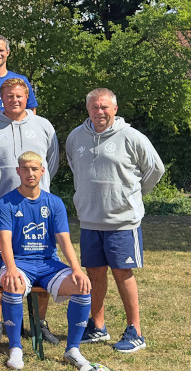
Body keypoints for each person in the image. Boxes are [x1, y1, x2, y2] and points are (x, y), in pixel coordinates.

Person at [66, 88, 164, 353]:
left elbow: (155, 169)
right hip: (89, 219)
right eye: (95, 107)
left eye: (105, 107)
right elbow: (76, 167)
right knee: (94, 274)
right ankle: (97, 326)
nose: (100, 112)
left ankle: (135, 331)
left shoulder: (131, 136)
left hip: (122, 221)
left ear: (115, 109)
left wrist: (133, 195)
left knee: (123, 273)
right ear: (88, 109)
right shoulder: (76, 137)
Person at [0, 77, 60, 344]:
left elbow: (52, 162)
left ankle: (38, 322)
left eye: (19, 96)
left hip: (37, 208)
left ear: (27, 98)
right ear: (1, 99)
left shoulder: (43, 125)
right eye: (9, 96)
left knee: (43, 259)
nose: (14, 100)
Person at [0, 151, 93, 369]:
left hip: (47, 263)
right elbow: (4, 241)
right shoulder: (7, 202)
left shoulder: (54, 202)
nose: (30, 173)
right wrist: (10, 268)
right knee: (13, 284)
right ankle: (15, 348)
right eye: (25, 169)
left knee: (82, 286)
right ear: (18, 171)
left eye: (34, 169)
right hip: (18, 262)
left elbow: (64, 240)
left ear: (42, 171)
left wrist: (77, 269)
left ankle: (73, 350)